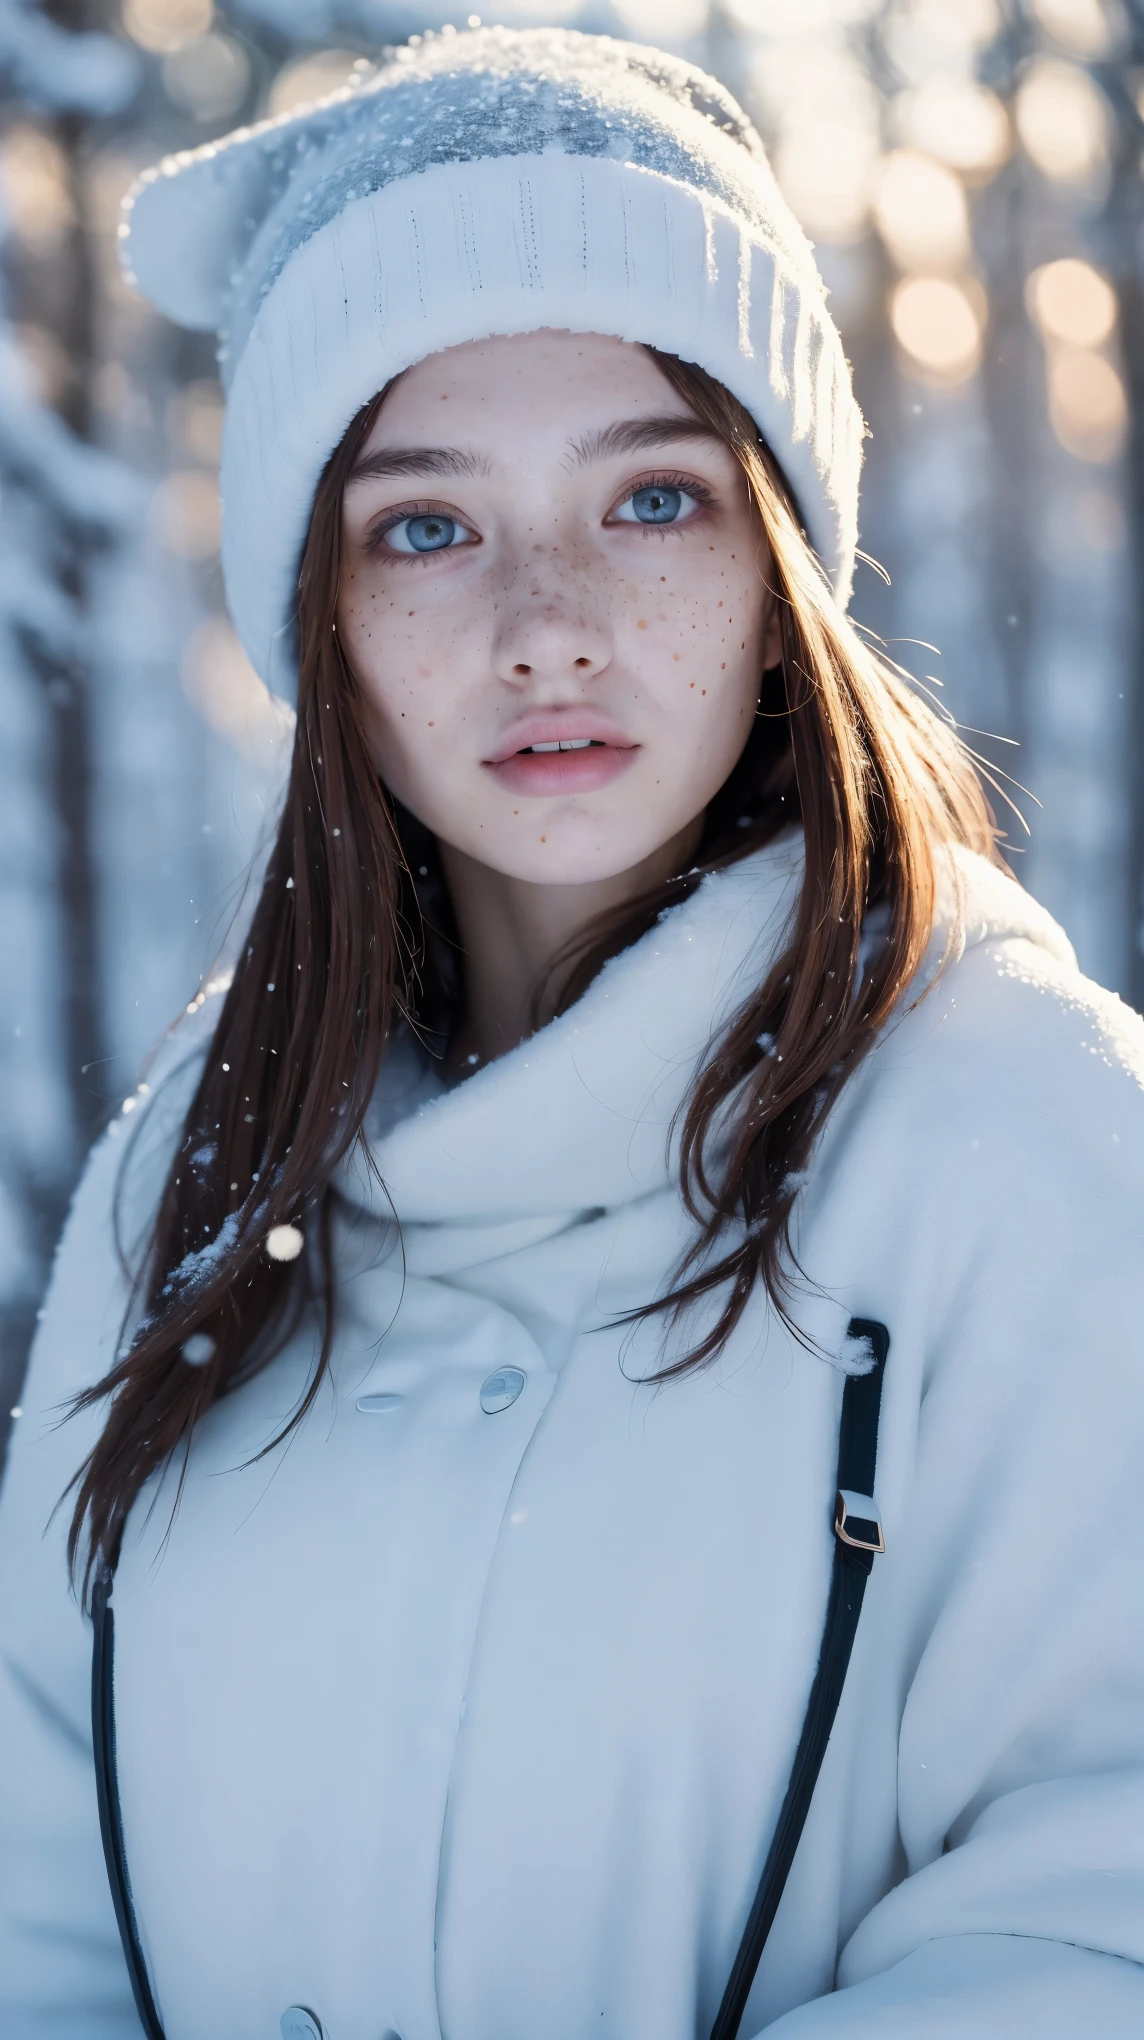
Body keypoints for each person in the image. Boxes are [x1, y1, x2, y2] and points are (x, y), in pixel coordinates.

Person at [1, 25, 1142, 2040]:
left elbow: (1091, 1915)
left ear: (780, 559)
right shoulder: (188, 1176)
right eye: (422, 526)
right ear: (319, 616)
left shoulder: (1019, 1135)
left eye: (651, 500)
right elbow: (36, 1914)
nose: (546, 618)